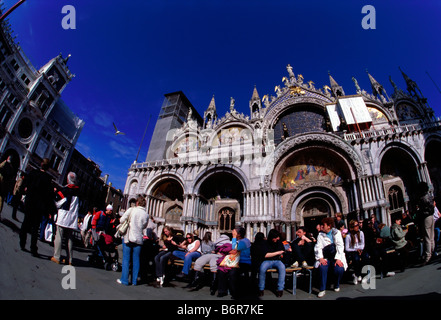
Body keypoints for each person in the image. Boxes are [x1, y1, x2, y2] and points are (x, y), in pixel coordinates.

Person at [19, 158, 54, 256]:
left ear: (41, 164)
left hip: (30, 202)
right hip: (39, 206)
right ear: (48, 167)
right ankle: (33, 249)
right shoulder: (48, 179)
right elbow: (49, 196)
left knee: (25, 223)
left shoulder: (33, 173)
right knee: (35, 227)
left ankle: (22, 243)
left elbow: (25, 185)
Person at [117, 196, 149, 286]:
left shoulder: (131, 210)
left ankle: (125, 280)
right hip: (139, 239)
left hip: (129, 237)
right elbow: (144, 226)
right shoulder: (146, 214)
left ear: (137, 203)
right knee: (136, 259)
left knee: (126, 259)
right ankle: (134, 281)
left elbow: (121, 220)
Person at [50, 172, 80, 265]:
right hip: (72, 217)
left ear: (68, 179)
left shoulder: (65, 190)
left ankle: (57, 257)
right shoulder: (78, 191)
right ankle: (70, 259)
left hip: (63, 215)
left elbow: (57, 200)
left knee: (59, 236)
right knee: (69, 238)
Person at [314, 217, 347, 298]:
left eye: (323, 225)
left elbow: (340, 246)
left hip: (336, 256)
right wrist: (320, 258)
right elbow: (318, 247)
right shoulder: (320, 235)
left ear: (329, 226)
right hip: (326, 257)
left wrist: (338, 259)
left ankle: (336, 284)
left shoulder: (337, 233)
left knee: (339, 269)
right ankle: (322, 289)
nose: (321, 226)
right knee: (322, 267)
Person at [258, 229, 286, 297]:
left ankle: (280, 289)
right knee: (262, 269)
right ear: (272, 237)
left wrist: (277, 254)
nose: (277, 239)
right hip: (267, 261)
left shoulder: (279, 242)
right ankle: (261, 288)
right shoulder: (265, 243)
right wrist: (277, 253)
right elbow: (266, 255)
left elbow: (282, 251)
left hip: (277, 261)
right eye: (276, 237)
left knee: (282, 268)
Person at [345, 220, 369, 285]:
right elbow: (347, 248)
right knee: (356, 259)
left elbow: (362, 244)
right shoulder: (348, 236)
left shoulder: (361, 233)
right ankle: (357, 274)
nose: (357, 226)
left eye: (358, 225)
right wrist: (356, 249)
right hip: (353, 250)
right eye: (356, 225)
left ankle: (364, 275)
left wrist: (360, 249)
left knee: (366, 257)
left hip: (361, 249)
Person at [416, 182, 435, 265]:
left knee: (427, 237)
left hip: (426, 218)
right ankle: (433, 252)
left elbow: (422, 210)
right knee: (431, 237)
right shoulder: (430, 196)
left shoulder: (422, 198)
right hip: (432, 216)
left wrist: (421, 212)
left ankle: (428, 257)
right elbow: (432, 207)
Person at [0, 155, 15, 220]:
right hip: (5, 186)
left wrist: (5, 161)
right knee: (1, 200)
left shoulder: (5, 163)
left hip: (1, 183)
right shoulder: (11, 168)